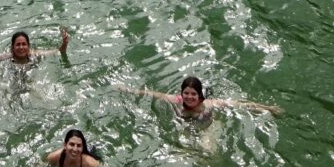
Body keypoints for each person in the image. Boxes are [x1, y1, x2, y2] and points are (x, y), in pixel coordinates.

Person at [117, 75, 283, 123]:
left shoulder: (209, 104)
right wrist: (129, 90)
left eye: (193, 94)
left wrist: (267, 108)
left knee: (208, 150)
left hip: (205, 121)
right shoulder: (176, 100)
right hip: (185, 122)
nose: (189, 97)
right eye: (186, 93)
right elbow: (153, 94)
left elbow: (239, 105)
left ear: (200, 96)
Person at [0, 27, 69, 65]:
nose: (21, 47)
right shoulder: (6, 57)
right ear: (12, 48)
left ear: (28, 47)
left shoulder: (35, 54)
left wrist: (64, 43)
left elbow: (58, 51)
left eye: (24, 44)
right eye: (18, 45)